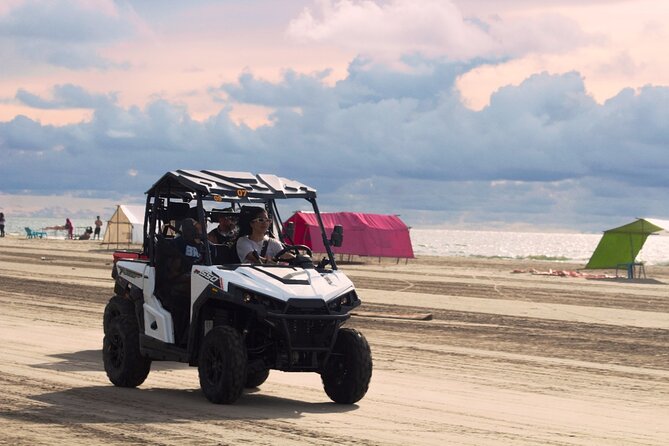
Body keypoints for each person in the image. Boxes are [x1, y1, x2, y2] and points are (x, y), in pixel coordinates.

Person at [160, 218, 204, 346]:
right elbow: (172, 270)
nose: (202, 226)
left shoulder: (207, 246)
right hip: (179, 282)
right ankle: (185, 340)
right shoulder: (178, 244)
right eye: (198, 224)